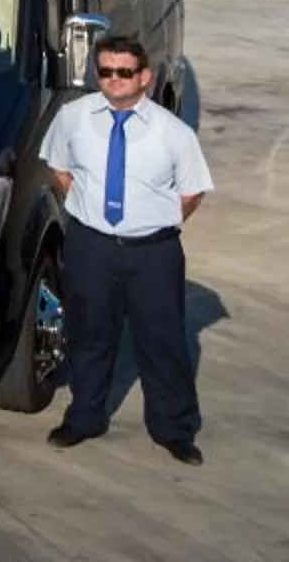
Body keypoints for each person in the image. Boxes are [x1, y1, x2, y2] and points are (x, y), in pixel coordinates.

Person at [41, 33, 212, 463]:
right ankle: (84, 418)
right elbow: (58, 169)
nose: (114, 79)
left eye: (124, 72)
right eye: (106, 71)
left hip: (152, 252)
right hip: (92, 246)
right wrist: (86, 213)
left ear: (145, 77)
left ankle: (174, 429)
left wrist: (153, 222)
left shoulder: (172, 132)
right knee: (89, 336)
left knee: (163, 342)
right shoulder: (73, 118)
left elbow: (191, 192)